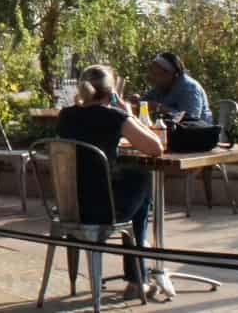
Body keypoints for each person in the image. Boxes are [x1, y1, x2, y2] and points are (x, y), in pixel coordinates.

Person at [57, 64, 164, 299]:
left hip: (70, 206)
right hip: (102, 210)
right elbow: (155, 147)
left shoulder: (66, 115)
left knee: (132, 186)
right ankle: (138, 279)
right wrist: (128, 113)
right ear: (111, 93)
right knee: (141, 180)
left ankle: (139, 277)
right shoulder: (113, 116)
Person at [139, 51, 211, 122]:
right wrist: (137, 101)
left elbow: (191, 120)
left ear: (171, 73)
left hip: (198, 132)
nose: (154, 78)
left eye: (158, 74)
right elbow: (144, 102)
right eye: (153, 74)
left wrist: (159, 108)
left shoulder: (190, 88)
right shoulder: (159, 88)